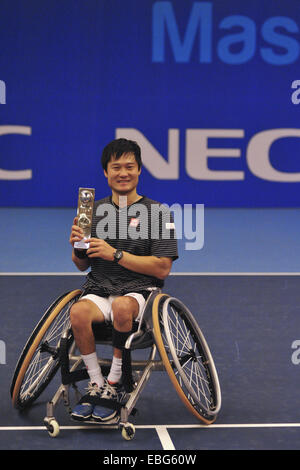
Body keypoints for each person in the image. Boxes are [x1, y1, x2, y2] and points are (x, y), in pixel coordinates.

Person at [69, 138, 178, 422]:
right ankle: (97, 383)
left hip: (139, 292)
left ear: (140, 170)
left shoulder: (159, 213)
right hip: (100, 288)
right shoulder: (90, 212)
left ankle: (116, 381)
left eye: (129, 166)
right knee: (78, 311)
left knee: (121, 308)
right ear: (106, 172)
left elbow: (162, 268)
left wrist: (115, 254)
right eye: (115, 167)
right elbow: (82, 266)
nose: (123, 172)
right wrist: (77, 249)